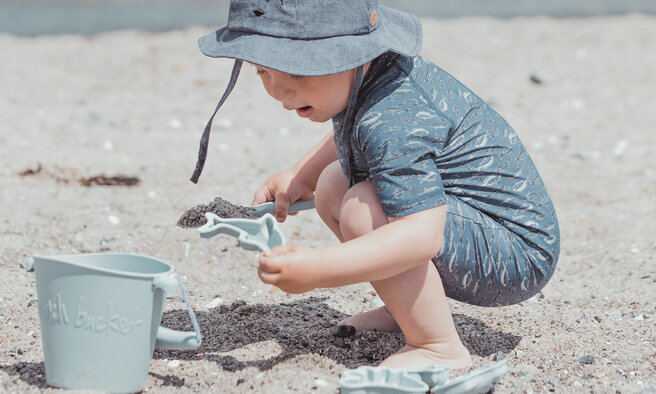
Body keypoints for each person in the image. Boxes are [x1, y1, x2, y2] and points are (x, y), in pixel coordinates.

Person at [189, 0, 560, 369]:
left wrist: (319, 270)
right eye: (262, 72)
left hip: (515, 254)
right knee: (334, 183)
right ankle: (409, 308)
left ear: (352, 54)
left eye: (298, 72)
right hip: (478, 229)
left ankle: (437, 345)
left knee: (361, 206)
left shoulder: (391, 118)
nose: (279, 90)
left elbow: (421, 236)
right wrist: (302, 174)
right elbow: (351, 132)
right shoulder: (373, 75)